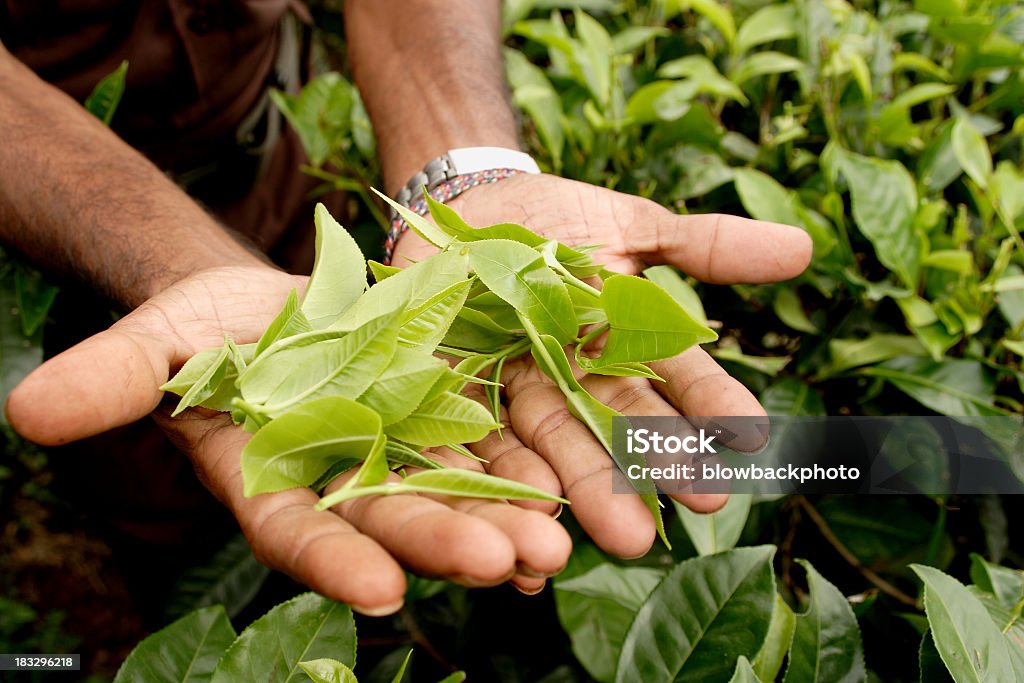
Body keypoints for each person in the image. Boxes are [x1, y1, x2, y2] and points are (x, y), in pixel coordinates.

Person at [0, 1, 811, 616]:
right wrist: (169, 260)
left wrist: (464, 179)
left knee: (323, 492)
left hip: (273, 133)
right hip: (44, 213)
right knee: (166, 496)